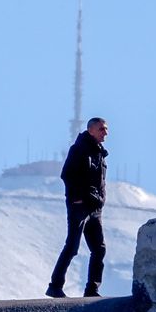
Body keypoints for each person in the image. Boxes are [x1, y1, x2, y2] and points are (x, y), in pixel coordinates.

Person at [46, 117, 108, 298]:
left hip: (95, 209)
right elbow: (67, 175)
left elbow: (100, 181)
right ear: (91, 130)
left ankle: (92, 290)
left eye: (106, 129)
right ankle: (55, 286)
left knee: (99, 249)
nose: (105, 133)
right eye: (101, 129)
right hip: (79, 207)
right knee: (72, 246)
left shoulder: (100, 153)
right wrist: (78, 198)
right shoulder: (79, 149)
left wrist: (101, 200)